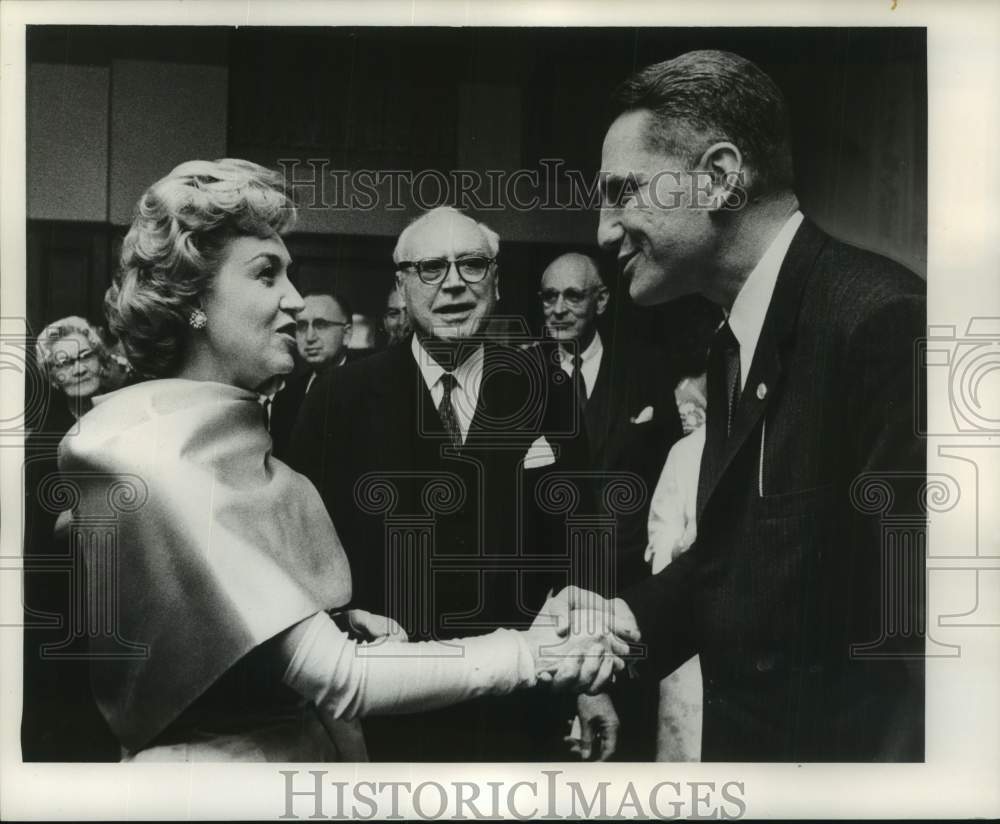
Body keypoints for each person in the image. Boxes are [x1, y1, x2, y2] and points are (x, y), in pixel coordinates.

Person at [56, 159, 632, 762]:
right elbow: (338, 676)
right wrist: (535, 652)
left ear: (497, 281)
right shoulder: (170, 453)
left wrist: (336, 616)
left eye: (473, 266)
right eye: (267, 274)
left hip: (453, 725)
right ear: (195, 299)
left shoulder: (207, 435)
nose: (297, 300)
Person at [559, 49, 925, 762]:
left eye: (623, 192)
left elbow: (928, 643)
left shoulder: (883, 323)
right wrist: (619, 619)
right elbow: (741, 562)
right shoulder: (734, 346)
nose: (604, 232)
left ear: (722, 178)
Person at [289, 206, 593, 761]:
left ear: (496, 283)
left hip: (517, 712)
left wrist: (591, 687)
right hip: (387, 710)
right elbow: (301, 554)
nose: (453, 284)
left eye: (472, 265)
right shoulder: (339, 400)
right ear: (401, 288)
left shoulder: (547, 388)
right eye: (430, 268)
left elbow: (579, 542)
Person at [539, 252, 683, 760]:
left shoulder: (647, 369)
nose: (558, 308)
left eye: (572, 296)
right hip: (548, 592)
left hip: (629, 592)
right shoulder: (515, 378)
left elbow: (671, 475)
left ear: (600, 300)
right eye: (548, 297)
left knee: (630, 745)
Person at [21, 316, 119, 761]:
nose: (77, 368)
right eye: (64, 364)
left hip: (121, 579)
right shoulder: (44, 438)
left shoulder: (120, 417)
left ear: (100, 359)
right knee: (78, 711)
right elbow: (49, 532)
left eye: (84, 356)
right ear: (53, 377)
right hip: (68, 589)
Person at [269, 289, 355, 459]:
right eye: (301, 326)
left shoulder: (371, 388)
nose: (309, 337)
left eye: (321, 325)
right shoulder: (284, 398)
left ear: (347, 334)